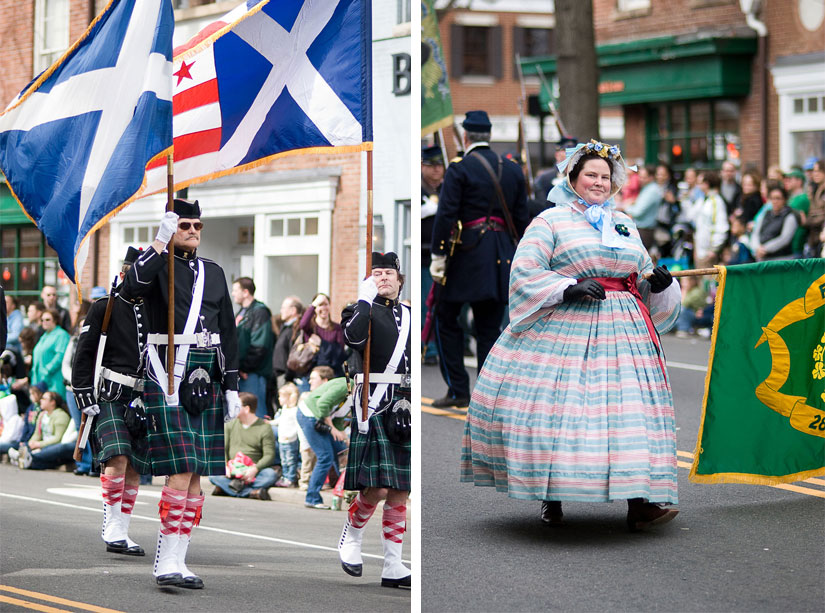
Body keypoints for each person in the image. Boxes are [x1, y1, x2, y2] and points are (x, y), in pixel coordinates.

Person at [460, 140, 682, 532]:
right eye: (591, 175)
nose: (599, 182)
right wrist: (569, 286)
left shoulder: (625, 223)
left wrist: (661, 283)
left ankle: (640, 502)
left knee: (627, 413)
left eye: (605, 176)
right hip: (567, 324)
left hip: (624, 331)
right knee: (560, 412)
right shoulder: (551, 222)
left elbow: (642, 274)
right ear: (574, 179)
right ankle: (551, 495)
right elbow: (525, 271)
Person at [122, 198, 240, 588]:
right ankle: (165, 560)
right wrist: (158, 242)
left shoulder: (215, 272)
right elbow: (131, 288)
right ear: (172, 226)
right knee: (182, 468)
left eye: (196, 226)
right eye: (184, 224)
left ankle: (179, 558)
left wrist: (232, 386)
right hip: (166, 371)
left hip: (205, 372)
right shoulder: (156, 266)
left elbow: (229, 332)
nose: (192, 231)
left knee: (195, 475)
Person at [429, 110, 529, 408]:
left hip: (466, 253)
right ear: (490, 135)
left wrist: (438, 254)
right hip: (501, 254)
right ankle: (487, 395)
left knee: (445, 318)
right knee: (489, 328)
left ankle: (459, 389)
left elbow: (446, 214)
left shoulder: (460, 168)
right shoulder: (512, 170)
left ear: (466, 136)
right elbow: (522, 219)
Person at [338, 251, 412, 589]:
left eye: (388, 273)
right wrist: (365, 301)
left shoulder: (409, 314)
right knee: (378, 486)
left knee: (400, 489)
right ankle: (351, 536)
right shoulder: (357, 312)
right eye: (376, 273)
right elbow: (355, 340)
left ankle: (393, 564)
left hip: (405, 403)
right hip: (374, 402)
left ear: (399, 278)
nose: (382, 278)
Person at [71, 247, 150, 555]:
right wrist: (83, 393)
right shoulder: (105, 306)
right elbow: (84, 352)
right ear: (123, 273)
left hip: (143, 397)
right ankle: (112, 525)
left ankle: (123, 528)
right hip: (111, 394)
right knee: (116, 458)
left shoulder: (157, 311)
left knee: (135, 466)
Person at [296, 366, 349, 509]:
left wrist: (341, 432)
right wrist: (332, 428)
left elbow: (338, 416)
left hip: (321, 418)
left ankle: (344, 492)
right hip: (309, 416)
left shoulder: (354, 394)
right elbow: (323, 404)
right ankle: (312, 498)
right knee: (325, 456)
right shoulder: (344, 385)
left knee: (341, 451)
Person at [209, 392, 278, 500]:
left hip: (253, 471)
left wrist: (255, 469)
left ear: (246, 409)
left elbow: (269, 455)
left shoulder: (264, 428)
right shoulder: (230, 425)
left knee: (270, 475)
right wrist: (225, 466)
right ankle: (251, 492)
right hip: (232, 469)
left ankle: (229, 489)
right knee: (213, 473)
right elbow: (222, 449)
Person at [232, 277, 275, 418]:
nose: (232, 294)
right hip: (242, 372)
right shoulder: (242, 312)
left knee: (255, 414)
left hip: (253, 374)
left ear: (245, 292)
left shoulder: (259, 312)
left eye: (235, 290)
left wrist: (244, 367)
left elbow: (259, 345)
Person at [421, 144, 444, 366]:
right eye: (432, 165)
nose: (437, 170)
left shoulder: (446, 187)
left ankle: (435, 346)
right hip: (424, 256)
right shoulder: (420, 189)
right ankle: (428, 348)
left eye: (439, 165)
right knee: (426, 305)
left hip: (445, 255)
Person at [11, 390, 72, 468]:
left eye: (44, 399)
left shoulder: (61, 416)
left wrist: (39, 444)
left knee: (52, 449)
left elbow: (58, 439)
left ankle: (24, 457)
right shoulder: (42, 415)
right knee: (26, 445)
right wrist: (31, 443)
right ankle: (25, 458)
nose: (41, 400)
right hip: (43, 445)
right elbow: (37, 434)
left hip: (53, 446)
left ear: (52, 402)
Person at [688, 171, 729, 268]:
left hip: (709, 251)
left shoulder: (717, 201)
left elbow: (721, 225)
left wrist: (714, 248)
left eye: (700, 183)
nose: (698, 186)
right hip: (700, 251)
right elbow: (690, 216)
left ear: (707, 184)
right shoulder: (702, 200)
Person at [299, 293, 346, 376]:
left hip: (331, 374)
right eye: (320, 305)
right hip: (311, 374)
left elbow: (339, 353)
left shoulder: (337, 328)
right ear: (315, 308)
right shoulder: (310, 328)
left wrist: (322, 343)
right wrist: (313, 305)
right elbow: (302, 324)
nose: (324, 308)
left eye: (326, 304)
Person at [751, 185, 799, 261]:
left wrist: (765, 249)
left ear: (785, 200)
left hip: (781, 259)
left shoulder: (790, 216)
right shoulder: (766, 213)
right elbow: (756, 232)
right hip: (762, 258)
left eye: (778, 198)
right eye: (772, 198)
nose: (775, 201)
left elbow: (784, 239)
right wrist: (757, 248)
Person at [29, 308, 70, 396]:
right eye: (42, 320)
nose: (44, 322)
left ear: (55, 320)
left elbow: (60, 355)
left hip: (54, 380)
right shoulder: (44, 335)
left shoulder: (61, 335)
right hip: (39, 380)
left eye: (48, 319)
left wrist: (47, 370)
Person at [621, 165, 661, 250]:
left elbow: (637, 212)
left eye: (644, 177)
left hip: (644, 231)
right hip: (642, 229)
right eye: (640, 176)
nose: (640, 179)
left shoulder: (652, 190)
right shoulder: (647, 188)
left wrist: (625, 206)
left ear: (651, 177)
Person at [272, 295, 304, 393]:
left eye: (283, 308)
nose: (281, 310)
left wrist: (288, 376)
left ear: (293, 310)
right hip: (281, 376)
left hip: (288, 378)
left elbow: (294, 355)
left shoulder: (296, 329)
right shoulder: (286, 328)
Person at [272, 382, 301, 488]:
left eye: (281, 396)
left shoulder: (294, 411)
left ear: (289, 397)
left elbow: (297, 426)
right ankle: (285, 477)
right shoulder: (284, 409)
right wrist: (271, 422)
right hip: (282, 439)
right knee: (284, 460)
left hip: (290, 440)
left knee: (291, 460)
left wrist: (291, 435)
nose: (279, 399)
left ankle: (291, 478)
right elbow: (281, 421)